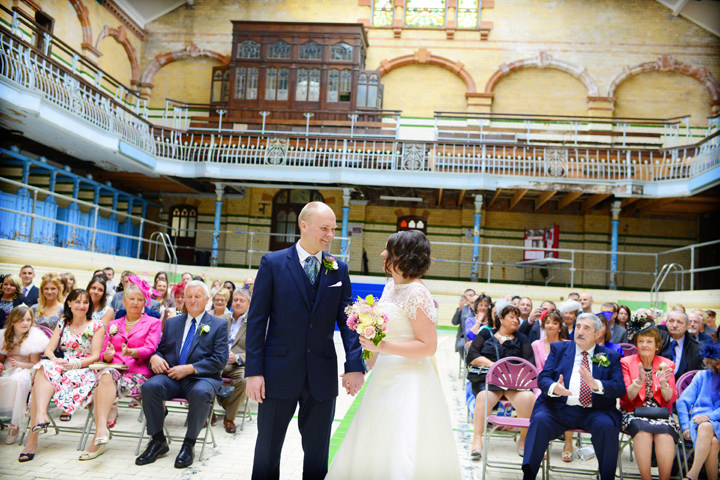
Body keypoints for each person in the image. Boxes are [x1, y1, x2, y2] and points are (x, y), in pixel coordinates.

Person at [327, 230, 462, 479]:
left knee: (402, 440)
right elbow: (382, 336)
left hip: (410, 380)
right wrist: (360, 368)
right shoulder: (391, 287)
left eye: (389, 250)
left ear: (404, 256)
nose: (382, 254)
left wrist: (384, 348)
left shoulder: (417, 293)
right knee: (375, 437)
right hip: (385, 376)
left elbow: (428, 346)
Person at [246, 201, 365, 480]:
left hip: (321, 376)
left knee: (317, 454)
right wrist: (254, 372)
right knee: (267, 450)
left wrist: (354, 365)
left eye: (333, 229)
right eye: (324, 228)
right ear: (304, 225)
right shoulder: (273, 264)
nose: (330, 235)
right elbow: (257, 321)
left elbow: (348, 323)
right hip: (277, 374)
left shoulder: (339, 270)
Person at [521, 313, 627, 480]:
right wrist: (555, 388)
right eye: (578, 326)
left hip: (595, 411)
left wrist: (596, 385)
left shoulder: (610, 356)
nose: (580, 331)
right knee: (540, 420)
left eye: (586, 328)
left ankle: (607, 477)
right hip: (559, 409)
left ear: (597, 333)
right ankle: (528, 475)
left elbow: (620, 388)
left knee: (607, 426)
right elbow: (543, 378)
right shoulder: (559, 349)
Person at [135, 280, 227, 469]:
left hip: (202, 378)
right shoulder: (172, 323)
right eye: (189, 296)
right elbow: (161, 349)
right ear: (183, 299)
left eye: (197, 296)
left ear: (206, 300)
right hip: (173, 377)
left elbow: (220, 360)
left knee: (201, 393)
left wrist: (190, 368)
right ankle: (158, 440)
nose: (193, 300)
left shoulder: (218, 325)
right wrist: (155, 357)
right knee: (150, 387)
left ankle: (189, 444)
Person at [21, 289, 106, 462]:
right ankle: (41, 416)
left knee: (41, 374)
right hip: (63, 364)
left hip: (84, 368)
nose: (82, 306)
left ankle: (32, 440)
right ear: (69, 303)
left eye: (85, 302)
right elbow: (49, 351)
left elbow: (96, 356)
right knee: (43, 366)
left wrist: (75, 364)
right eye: (78, 302)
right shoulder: (63, 323)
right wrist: (56, 360)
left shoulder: (97, 325)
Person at [80, 282, 162, 461]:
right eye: (131, 299)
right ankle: (102, 430)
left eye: (140, 299)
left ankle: (98, 437)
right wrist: (108, 356)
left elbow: (150, 348)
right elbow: (103, 353)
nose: (135, 302)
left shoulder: (153, 323)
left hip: (138, 375)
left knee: (102, 382)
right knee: (106, 375)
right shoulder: (113, 324)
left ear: (145, 303)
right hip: (113, 372)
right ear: (123, 302)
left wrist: (132, 352)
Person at [466, 303, 536, 459]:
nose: (516, 321)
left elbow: (530, 364)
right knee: (483, 397)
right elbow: (472, 355)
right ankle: (477, 439)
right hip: (489, 381)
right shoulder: (486, 334)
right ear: (501, 318)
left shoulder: (522, 339)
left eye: (518, 318)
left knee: (528, 398)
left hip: (514, 384)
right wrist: (495, 366)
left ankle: (523, 439)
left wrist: (510, 373)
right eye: (511, 317)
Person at [620, 313, 679, 480]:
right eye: (641, 341)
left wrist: (664, 384)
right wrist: (638, 382)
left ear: (657, 346)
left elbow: (669, 399)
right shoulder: (626, 362)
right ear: (636, 344)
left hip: (660, 412)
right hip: (633, 411)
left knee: (665, 432)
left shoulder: (667, 364)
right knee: (643, 430)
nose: (644, 345)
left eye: (649, 341)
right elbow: (626, 397)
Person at [0, 305, 48, 444]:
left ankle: (14, 423)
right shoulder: (4, 336)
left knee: (17, 380)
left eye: (28, 320)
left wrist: (20, 365)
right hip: (8, 369)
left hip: (26, 370)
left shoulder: (34, 337)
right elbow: (1, 359)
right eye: (21, 320)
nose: (25, 323)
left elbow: (35, 364)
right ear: (13, 321)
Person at [530, 309, 574, 462]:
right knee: (539, 399)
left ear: (560, 327)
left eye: (554, 323)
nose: (550, 326)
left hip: (565, 382)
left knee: (569, 399)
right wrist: (551, 385)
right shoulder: (536, 344)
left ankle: (568, 443)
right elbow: (538, 370)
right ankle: (542, 442)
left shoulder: (568, 344)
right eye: (547, 322)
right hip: (543, 384)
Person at [677, 342, 720, 480]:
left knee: (706, 425)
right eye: (714, 363)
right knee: (712, 443)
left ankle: (692, 474)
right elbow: (683, 401)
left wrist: (708, 416)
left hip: (715, 421)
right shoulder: (702, 376)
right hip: (698, 424)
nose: (717, 366)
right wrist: (684, 426)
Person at [217, 288, 250, 434]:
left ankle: (229, 417)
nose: (237, 303)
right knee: (196, 374)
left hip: (238, 364)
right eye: (235, 300)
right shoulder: (222, 319)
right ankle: (207, 413)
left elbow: (256, 350)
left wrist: (237, 358)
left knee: (244, 380)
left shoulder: (255, 323)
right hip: (217, 361)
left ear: (249, 304)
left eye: (241, 300)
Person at [659, 310, 703, 381]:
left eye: (679, 322)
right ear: (666, 322)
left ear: (687, 325)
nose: (674, 325)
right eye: (671, 321)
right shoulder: (658, 339)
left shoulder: (695, 348)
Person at [452, 288, 476, 361]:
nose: (469, 297)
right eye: (467, 296)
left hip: (475, 334)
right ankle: (467, 363)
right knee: (461, 345)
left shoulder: (478, 308)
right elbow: (454, 322)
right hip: (463, 336)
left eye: (471, 295)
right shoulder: (463, 308)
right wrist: (460, 308)